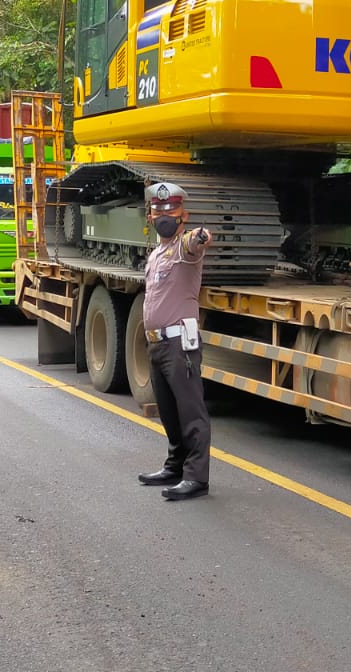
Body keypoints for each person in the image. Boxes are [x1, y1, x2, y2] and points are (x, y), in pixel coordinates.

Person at [135, 182, 214, 501]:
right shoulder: (156, 253)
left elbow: (199, 242)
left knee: (190, 411)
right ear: (150, 216)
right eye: (158, 210)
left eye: (171, 210)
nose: (164, 215)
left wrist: (201, 236)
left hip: (180, 344)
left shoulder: (185, 247)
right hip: (157, 345)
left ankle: (196, 478)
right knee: (168, 411)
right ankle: (175, 465)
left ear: (184, 216)